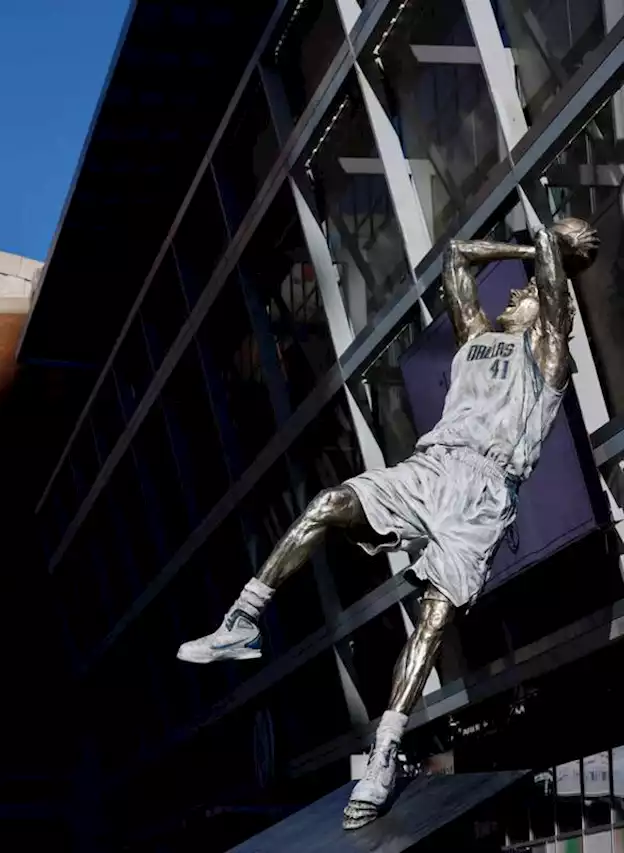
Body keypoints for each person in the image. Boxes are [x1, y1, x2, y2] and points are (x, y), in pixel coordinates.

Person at [176, 218, 599, 830]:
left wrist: (551, 251)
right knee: (328, 502)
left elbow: (556, 289)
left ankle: (384, 751)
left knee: (432, 616)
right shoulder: (476, 336)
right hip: (432, 466)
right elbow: (455, 254)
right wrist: (529, 245)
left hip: (484, 491)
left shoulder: (549, 357)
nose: (515, 294)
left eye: (526, 293)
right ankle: (243, 619)